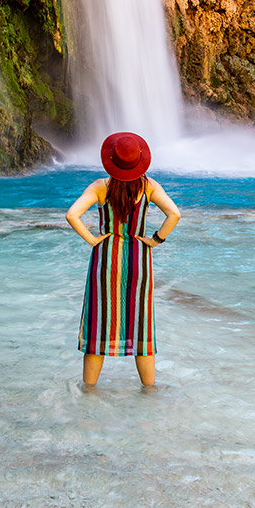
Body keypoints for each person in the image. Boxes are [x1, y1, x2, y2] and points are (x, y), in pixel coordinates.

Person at [66, 131, 181, 387]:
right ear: (139, 160)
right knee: (141, 325)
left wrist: (93, 239)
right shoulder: (149, 186)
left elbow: (72, 215)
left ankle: (89, 395)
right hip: (139, 261)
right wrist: (155, 240)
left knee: (99, 325)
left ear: (111, 160)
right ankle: (149, 394)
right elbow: (174, 214)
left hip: (106, 260)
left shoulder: (99, 187)